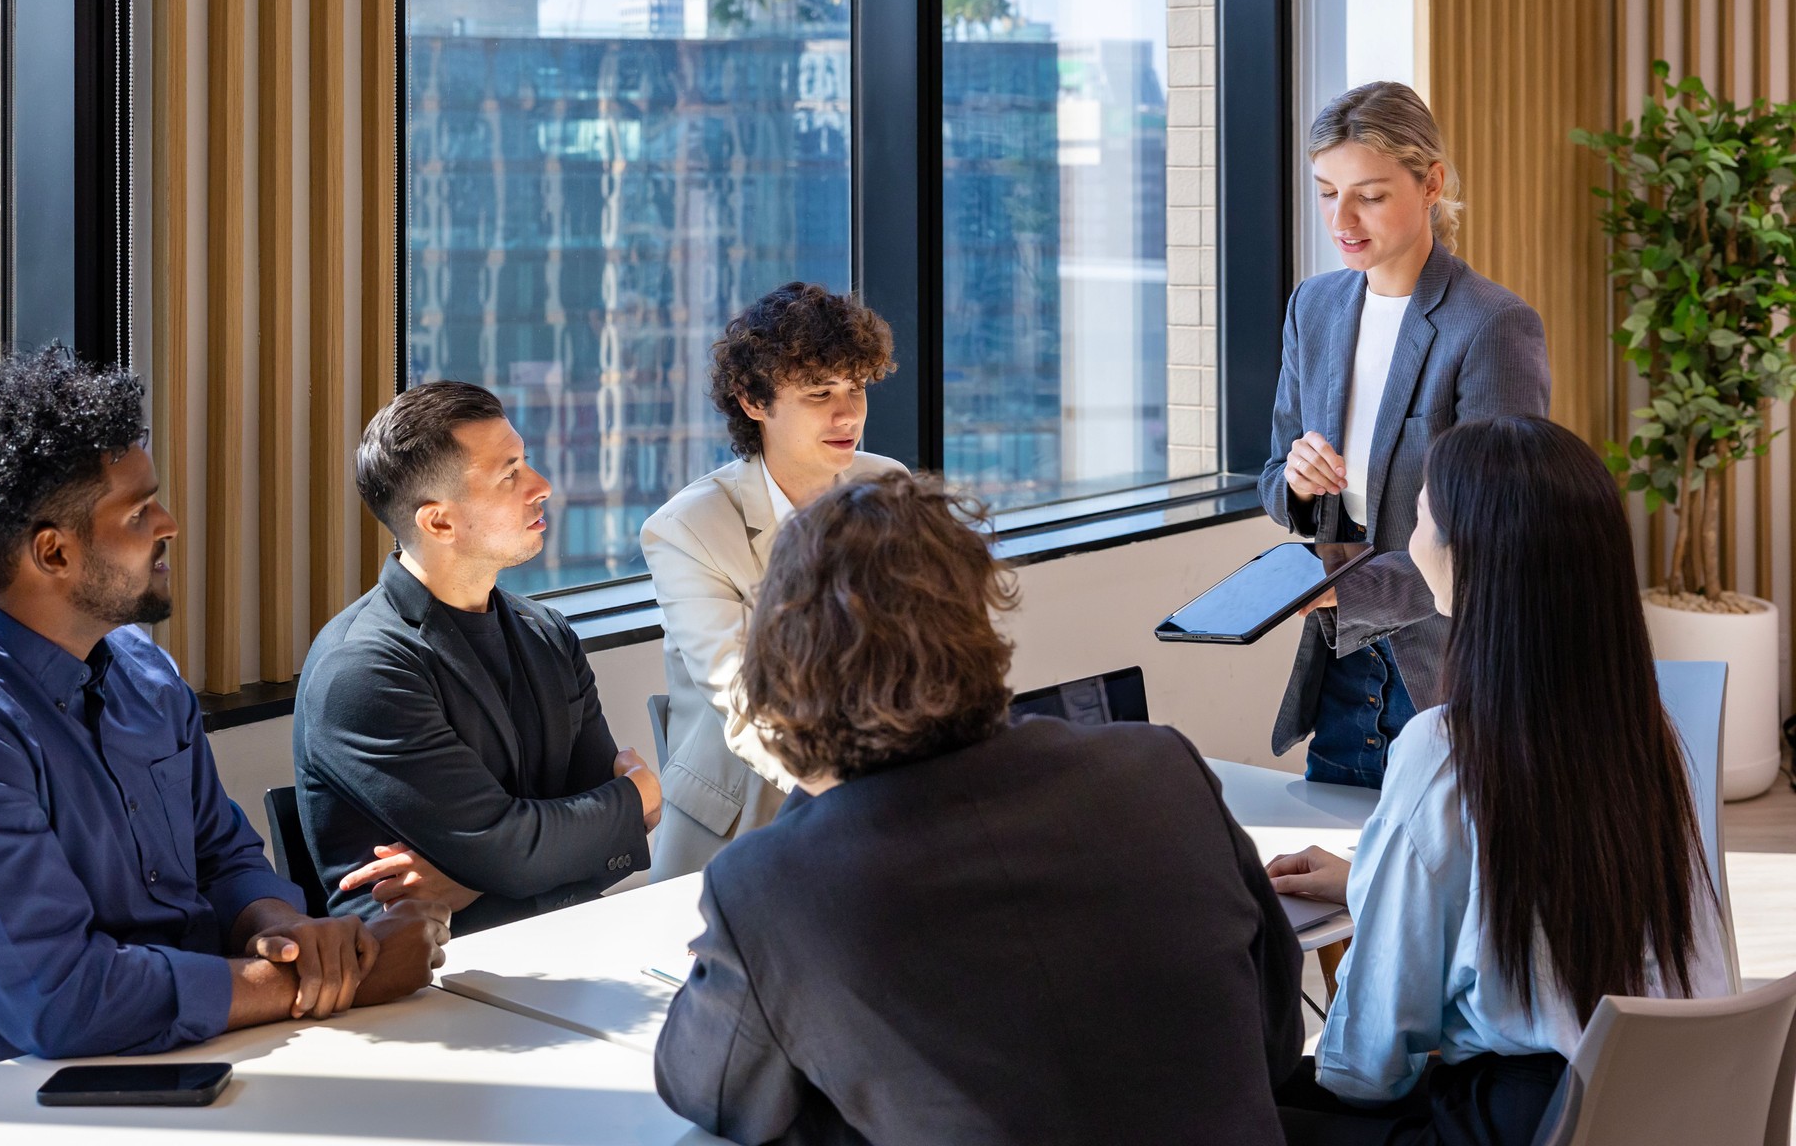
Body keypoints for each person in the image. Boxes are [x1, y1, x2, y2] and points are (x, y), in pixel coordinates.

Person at [655, 474, 1305, 1145]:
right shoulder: (1161, 768)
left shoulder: (771, 883)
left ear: (786, 659)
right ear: (976, 621)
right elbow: (1276, 1043)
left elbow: (709, 1091)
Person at [0, 348, 449, 1094]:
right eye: (139, 511)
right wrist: (333, 983)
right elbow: (64, 1001)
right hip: (5, 1097)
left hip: (196, 1055)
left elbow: (222, 857)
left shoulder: (144, 677)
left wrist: (282, 929)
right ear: (53, 552)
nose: (170, 523)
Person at [1268, 415, 1729, 1144]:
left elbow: (1365, 1067)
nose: (1410, 534)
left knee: (1230, 1101)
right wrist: (1369, 880)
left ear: (1469, 557)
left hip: (1522, 1124)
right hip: (1647, 1110)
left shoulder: (1447, 749)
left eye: (1420, 514)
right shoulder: (1643, 739)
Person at [1259, 81, 1549, 789]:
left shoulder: (1489, 325)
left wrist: (1344, 592)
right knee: (1325, 884)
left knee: (1426, 890)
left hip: (1447, 673)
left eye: (1371, 194)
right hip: (1340, 669)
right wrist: (1294, 484)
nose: (1343, 218)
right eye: (1328, 192)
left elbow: (1501, 534)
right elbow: (1273, 476)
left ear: (1431, 184)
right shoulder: (1315, 308)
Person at [293, 381, 662, 937]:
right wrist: (632, 798)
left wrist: (474, 874)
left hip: (562, 943)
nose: (542, 486)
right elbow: (585, 824)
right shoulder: (363, 669)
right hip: (433, 978)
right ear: (438, 522)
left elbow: (549, 836)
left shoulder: (547, 631)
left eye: (526, 462)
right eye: (509, 474)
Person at [640, 282, 902, 880]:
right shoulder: (689, 527)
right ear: (753, 402)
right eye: (819, 394)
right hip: (743, 812)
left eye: (855, 388)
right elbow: (743, 697)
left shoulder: (887, 484)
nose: (848, 415)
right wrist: (844, 795)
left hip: (878, 783)